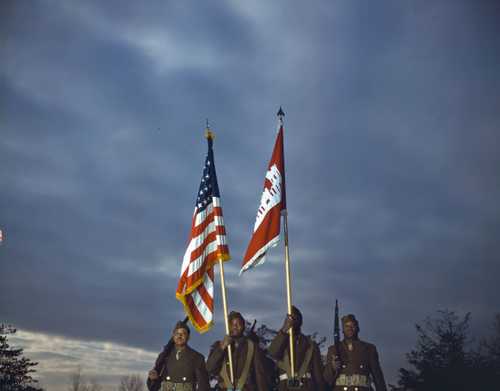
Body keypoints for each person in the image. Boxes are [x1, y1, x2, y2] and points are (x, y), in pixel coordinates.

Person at [206, 311, 269, 390]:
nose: (235, 326)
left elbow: (260, 374)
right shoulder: (219, 346)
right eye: (232, 324)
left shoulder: (252, 347)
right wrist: (222, 347)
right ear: (228, 326)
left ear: (243, 326)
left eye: (238, 324)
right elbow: (210, 368)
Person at [268, 306, 326, 390]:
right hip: (285, 387)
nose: (292, 321)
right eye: (290, 318)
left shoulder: (310, 344)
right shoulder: (281, 340)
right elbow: (272, 352)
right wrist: (284, 329)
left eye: (295, 318)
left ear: (300, 322)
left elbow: (318, 375)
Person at [324, 314, 387, 391]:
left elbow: (378, 378)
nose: (350, 329)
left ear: (357, 328)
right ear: (342, 330)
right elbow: (326, 379)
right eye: (347, 326)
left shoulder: (369, 349)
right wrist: (333, 368)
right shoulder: (333, 349)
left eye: (352, 326)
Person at [147, 321, 209, 391]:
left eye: (183, 333)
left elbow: (204, 386)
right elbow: (153, 387)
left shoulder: (197, 357)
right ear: (173, 336)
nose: (179, 336)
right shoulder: (164, 356)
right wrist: (153, 379)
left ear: (188, 337)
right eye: (177, 333)